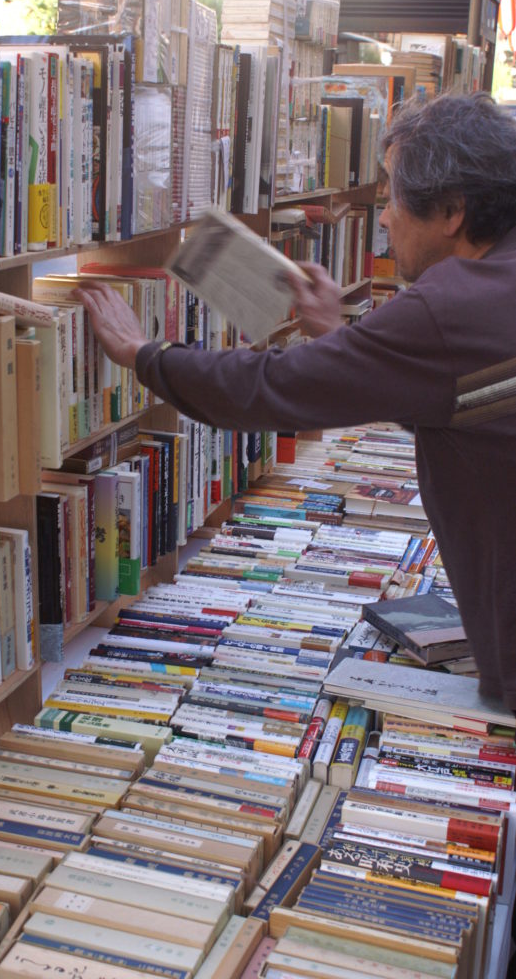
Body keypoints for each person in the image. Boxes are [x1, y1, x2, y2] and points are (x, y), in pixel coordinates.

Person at [76, 91, 516, 711]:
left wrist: (143, 354)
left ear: (450, 210)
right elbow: (470, 397)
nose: (383, 219)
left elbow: (271, 387)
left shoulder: (453, 304)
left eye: (390, 197)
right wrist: (341, 339)